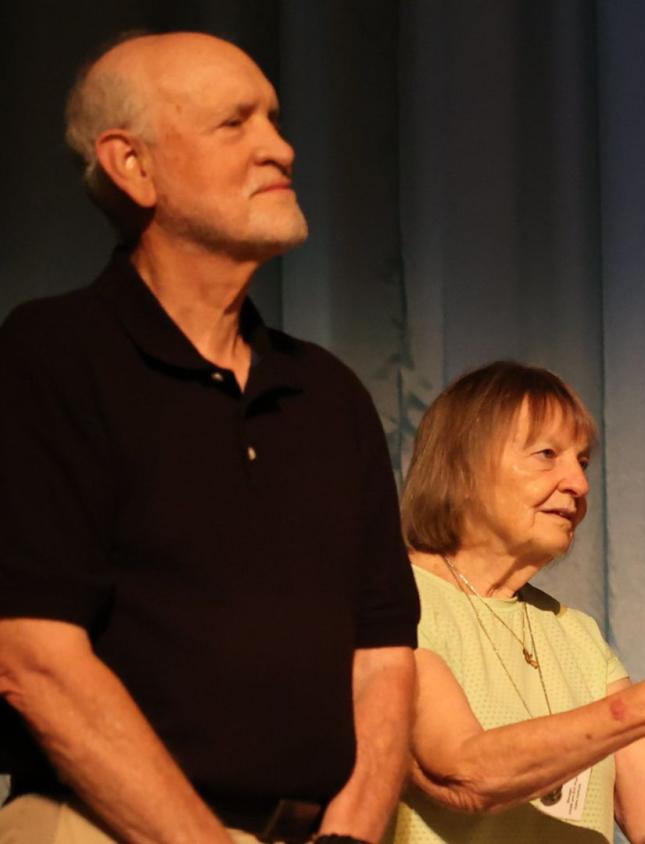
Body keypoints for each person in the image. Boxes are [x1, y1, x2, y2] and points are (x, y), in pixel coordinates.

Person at [0, 32, 418, 843]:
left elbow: (383, 658)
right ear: (133, 165)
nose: (282, 147)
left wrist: (349, 839)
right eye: (236, 124)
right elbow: (32, 657)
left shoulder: (328, 396)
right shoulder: (50, 357)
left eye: (275, 118)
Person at [388, 361, 645, 843]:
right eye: (547, 454)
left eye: (583, 461)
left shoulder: (576, 635)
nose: (579, 484)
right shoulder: (391, 601)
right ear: (462, 465)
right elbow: (465, 773)